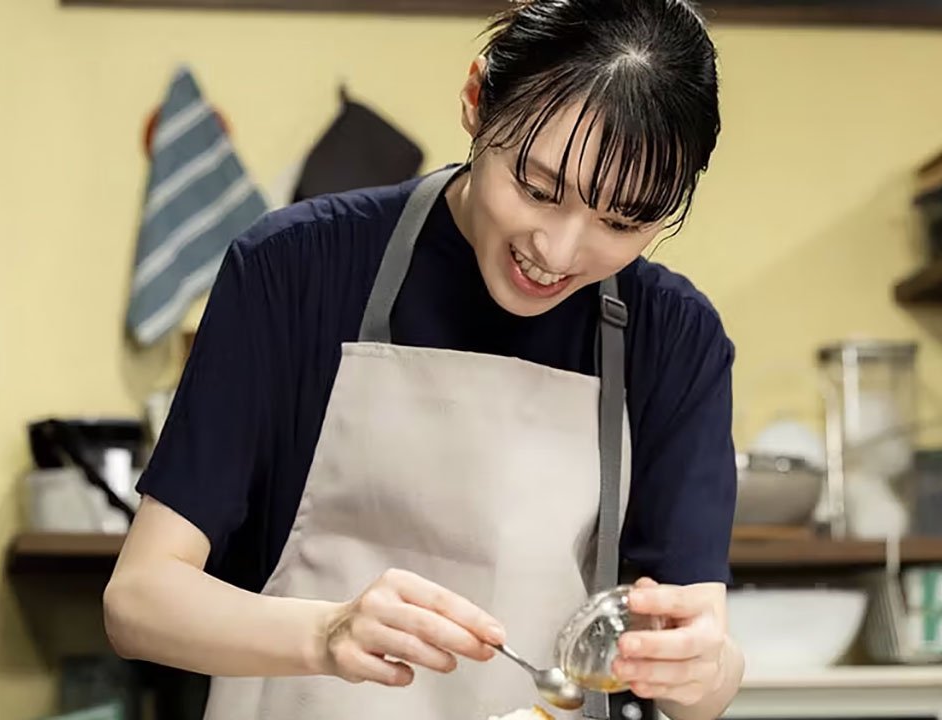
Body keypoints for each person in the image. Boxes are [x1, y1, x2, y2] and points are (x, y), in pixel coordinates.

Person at [103, 1, 744, 719]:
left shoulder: (674, 337)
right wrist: (326, 632)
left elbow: (703, 687)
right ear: (476, 100)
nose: (559, 251)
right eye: (537, 189)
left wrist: (700, 667)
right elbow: (138, 602)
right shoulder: (295, 268)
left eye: (622, 222)